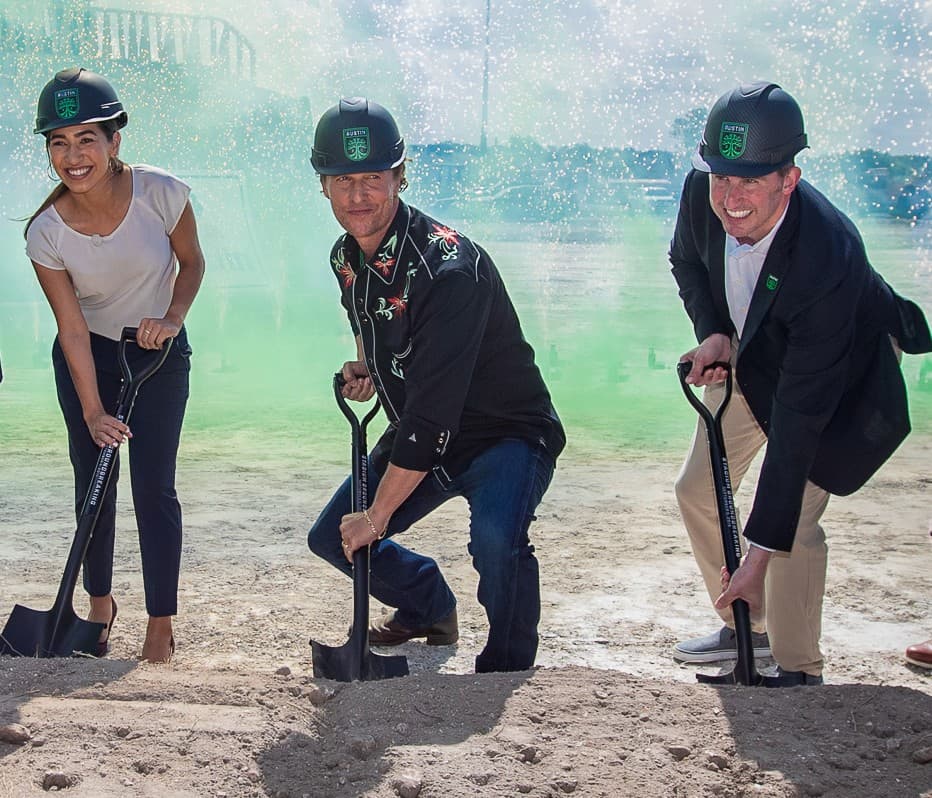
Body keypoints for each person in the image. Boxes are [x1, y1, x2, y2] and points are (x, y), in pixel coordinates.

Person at [668, 82, 931, 686]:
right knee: (697, 488)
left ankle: (797, 667)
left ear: (789, 179)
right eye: (722, 177)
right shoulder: (699, 193)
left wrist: (757, 552)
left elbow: (801, 418)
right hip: (753, 351)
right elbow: (686, 260)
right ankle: (747, 629)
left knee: (790, 522)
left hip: (837, 371)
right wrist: (714, 332)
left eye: (750, 182)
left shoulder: (829, 253)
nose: (730, 198)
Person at [306, 98, 565, 673]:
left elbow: (433, 419)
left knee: (496, 542)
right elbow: (371, 320)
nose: (359, 195)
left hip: (504, 434)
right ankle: (428, 605)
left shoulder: (450, 270)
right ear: (323, 186)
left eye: (374, 177)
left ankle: (507, 663)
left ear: (401, 177)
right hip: (422, 426)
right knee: (330, 537)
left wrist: (375, 518)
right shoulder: (345, 257)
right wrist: (369, 367)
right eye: (343, 180)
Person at [25, 68, 205, 663]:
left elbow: (192, 266)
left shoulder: (163, 193)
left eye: (86, 140)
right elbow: (72, 328)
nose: (73, 156)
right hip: (89, 357)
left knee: (155, 488)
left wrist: (172, 319)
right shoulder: (45, 232)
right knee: (93, 486)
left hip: (156, 354)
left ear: (114, 141)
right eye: (58, 142)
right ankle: (99, 606)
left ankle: (160, 622)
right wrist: (94, 409)